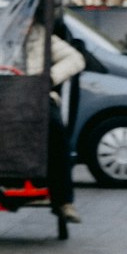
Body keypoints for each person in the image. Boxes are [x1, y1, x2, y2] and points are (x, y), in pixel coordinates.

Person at [46, 19, 86, 225]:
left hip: (35, 97)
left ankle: (63, 201)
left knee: (56, 132)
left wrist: (49, 78)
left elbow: (75, 59)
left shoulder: (42, 37)